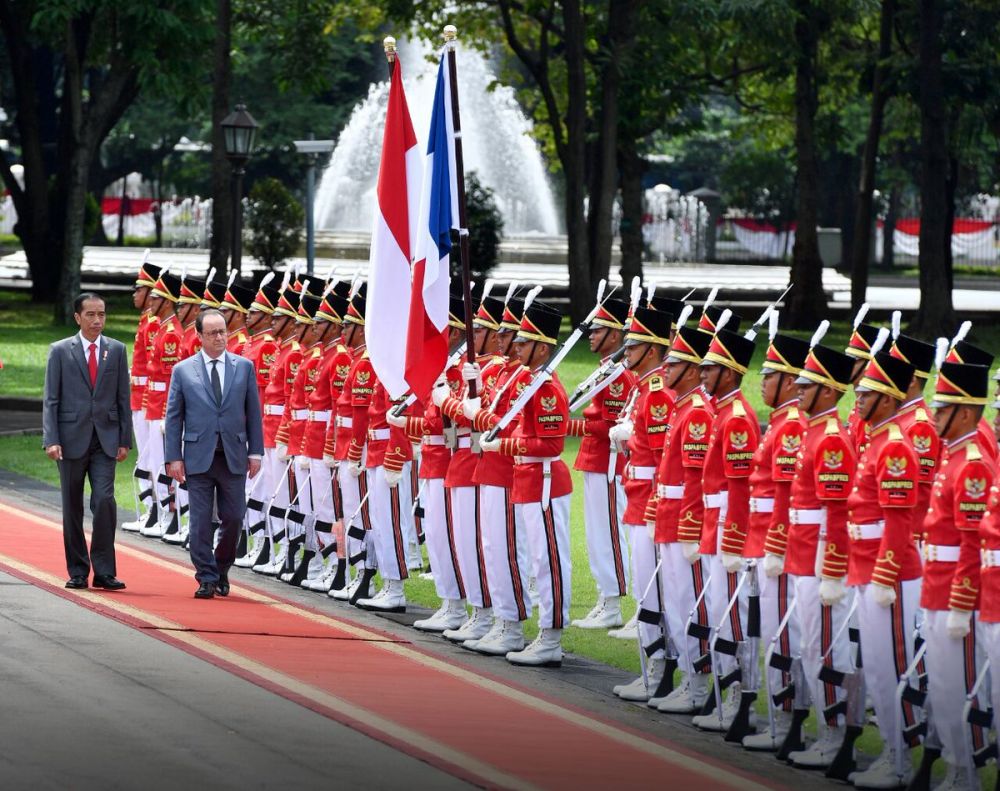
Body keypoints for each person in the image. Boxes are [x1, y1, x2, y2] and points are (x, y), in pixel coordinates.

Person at [164, 308, 264, 598]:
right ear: (199, 337)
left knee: (233, 517)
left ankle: (221, 567)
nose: (220, 338)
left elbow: (253, 413)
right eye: (213, 333)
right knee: (200, 521)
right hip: (198, 456)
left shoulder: (243, 367)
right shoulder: (183, 370)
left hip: (233, 454)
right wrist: (174, 457)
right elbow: (174, 417)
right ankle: (205, 576)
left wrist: (255, 451)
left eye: (223, 331)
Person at [42, 292, 132, 590]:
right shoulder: (60, 350)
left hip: (105, 440)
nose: (97, 320)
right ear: (77, 317)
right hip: (69, 439)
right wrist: (51, 439)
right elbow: (51, 399)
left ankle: (105, 571)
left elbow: (123, 398)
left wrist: (124, 440)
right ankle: (78, 570)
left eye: (102, 314)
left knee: (104, 500)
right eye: (91, 315)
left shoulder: (116, 350)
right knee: (72, 506)